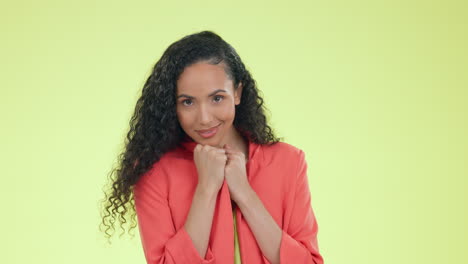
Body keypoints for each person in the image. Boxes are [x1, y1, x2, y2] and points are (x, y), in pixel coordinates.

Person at [100, 30, 324, 264]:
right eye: (187, 102)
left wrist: (245, 194)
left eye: (217, 98)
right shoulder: (153, 173)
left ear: (237, 92)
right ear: (172, 106)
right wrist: (206, 189)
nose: (204, 118)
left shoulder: (288, 161)